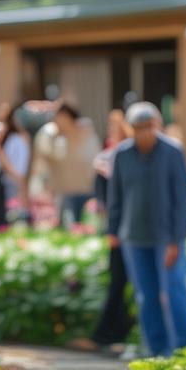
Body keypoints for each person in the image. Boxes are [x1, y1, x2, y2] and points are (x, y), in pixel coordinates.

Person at [107, 102, 186, 358]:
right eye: (138, 128)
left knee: (174, 291)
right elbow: (116, 195)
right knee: (146, 296)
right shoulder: (122, 155)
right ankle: (156, 349)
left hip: (166, 237)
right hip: (133, 236)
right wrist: (112, 229)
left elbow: (182, 200)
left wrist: (176, 240)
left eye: (148, 127)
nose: (143, 133)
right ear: (130, 128)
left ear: (157, 125)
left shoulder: (173, 152)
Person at [70, 109, 134, 354]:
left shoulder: (122, 159)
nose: (110, 134)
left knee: (120, 281)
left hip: (122, 231)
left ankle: (107, 334)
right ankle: (114, 332)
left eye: (114, 129)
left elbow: (115, 199)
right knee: (119, 281)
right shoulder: (110, 159)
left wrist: (113, 228)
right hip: (117, 229)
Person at [39, 102, 99, 227]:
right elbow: (52, 162)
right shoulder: (58, 138)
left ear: (65, 116)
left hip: (87, 190)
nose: (54, 121)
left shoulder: (85, 130)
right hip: (67, 192)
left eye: (57, 116)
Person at [0, 103, 31, 228]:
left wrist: (20, 180)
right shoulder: (6, 138)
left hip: (14, 179)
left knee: (15, 214)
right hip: (10, 180)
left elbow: (19, 163)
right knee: (10, 214)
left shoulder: (18, 138)